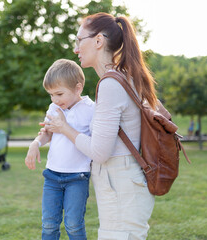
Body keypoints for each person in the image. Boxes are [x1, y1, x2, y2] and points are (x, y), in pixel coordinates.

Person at [43, 12, 156, 240]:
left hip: (121, 187)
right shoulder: (125, 76)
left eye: (79, 40)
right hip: (123, 185)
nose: (76, 49)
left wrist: (65, 128)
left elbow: (99, 152)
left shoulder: (111, 85)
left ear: (98, 41)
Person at [25, 59, 94, 240]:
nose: (55, 99)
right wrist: (36, 143)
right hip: (52, 177)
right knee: (48, 224)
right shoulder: (54, 107)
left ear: (77, 88)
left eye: (59, 94)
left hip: (77, 177)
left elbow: (94, 143)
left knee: (73, 224)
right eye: (51, 95)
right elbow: (48, 133)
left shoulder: (91, 109)